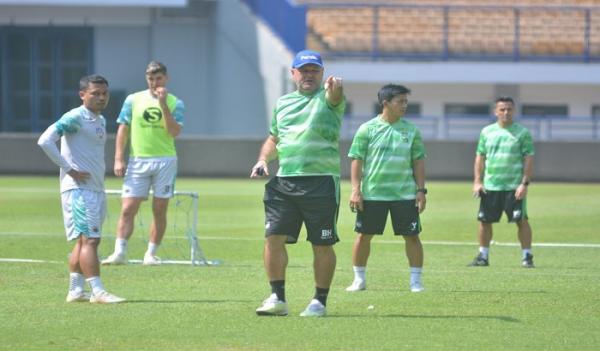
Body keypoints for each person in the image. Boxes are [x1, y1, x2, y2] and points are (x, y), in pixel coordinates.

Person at [250, 50, 345, 317]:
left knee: (322, 244)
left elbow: (336, 96)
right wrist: (263, 160)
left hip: (321, 183)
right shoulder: (283, 104)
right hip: (284, 182)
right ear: (293, 74)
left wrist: (335, 88)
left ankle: (319, 301)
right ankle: (277, 298)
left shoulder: (329, 100)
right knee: (273, 238)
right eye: (303, 70)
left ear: (322, 74)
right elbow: (274, 138)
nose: (309, 75)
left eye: (314, 70)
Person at [37, 74, 125, 304]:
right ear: (82, 94)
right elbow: (45, 140)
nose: (101, 97)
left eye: (104, 93)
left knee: (83, 240)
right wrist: (69, 169)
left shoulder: (100, 120)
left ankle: (76, 290)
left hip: (95, 188)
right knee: (91, 241)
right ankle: (98, 291)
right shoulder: (75, 116)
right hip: (78, 189)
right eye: (95, 93)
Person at [345, 84, 427, 293]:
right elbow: (356, 160)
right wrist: (356, 189)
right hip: (373, 193)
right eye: (400, 101)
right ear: (385, 103)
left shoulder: (411, 130)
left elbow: (418, 161)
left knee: (412, 236)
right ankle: (359, 280)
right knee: (364, 236)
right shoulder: (367, 129)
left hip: (404, 194)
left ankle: (416, 281)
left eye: (406, 101)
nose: (404, 105)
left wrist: (421, 190)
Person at [102, 61, 184, 266]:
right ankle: (119, 252)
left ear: (166, 78)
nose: (155, 83)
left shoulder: (176, 102)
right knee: (128, 207)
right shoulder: (133, 100)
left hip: (165, 161)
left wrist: (163, 104)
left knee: (159, 208)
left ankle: (151, 254)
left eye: (158, 79)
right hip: (138, 160)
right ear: (146, 79)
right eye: (151, 79)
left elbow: (174, 132)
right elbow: (123, 129)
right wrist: (119, 158)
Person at [469, 96, 535, 268]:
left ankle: (527, 256)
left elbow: (528, 158)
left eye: (509, 109)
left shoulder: (522, 133)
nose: (506, 112)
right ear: (495, 111)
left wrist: (524, 184)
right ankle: (483, 256)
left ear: (514, 111)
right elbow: (480, 157)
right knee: (484, 221)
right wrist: (477, 181)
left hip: (514, 187)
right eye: (502, 109)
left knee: (522, 221)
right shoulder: (486, 132)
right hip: (491, 185)